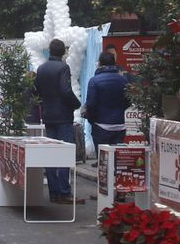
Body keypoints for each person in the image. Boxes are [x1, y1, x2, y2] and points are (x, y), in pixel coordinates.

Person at [33, 38, 81, 204]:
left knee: (51, 153)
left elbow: (37, 89)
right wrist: (76, 104)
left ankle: (54, 191)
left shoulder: (42, 68)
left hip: (48, 115)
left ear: (50, 51)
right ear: (63, 52)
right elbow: (65, 90)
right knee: (64, 153)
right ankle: (64, 191)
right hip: (63, 116)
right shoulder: (63, 67)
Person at [82, 49, 130, 166]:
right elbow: (128, 100)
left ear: (99, 64)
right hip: (119, 124)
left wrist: (91, 118)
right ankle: (115, 179)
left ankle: (104, 177)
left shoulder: (94, 81)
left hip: (101, 125)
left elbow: (91, 104)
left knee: (103, 159)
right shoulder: (123, 80)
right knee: (115, 158)